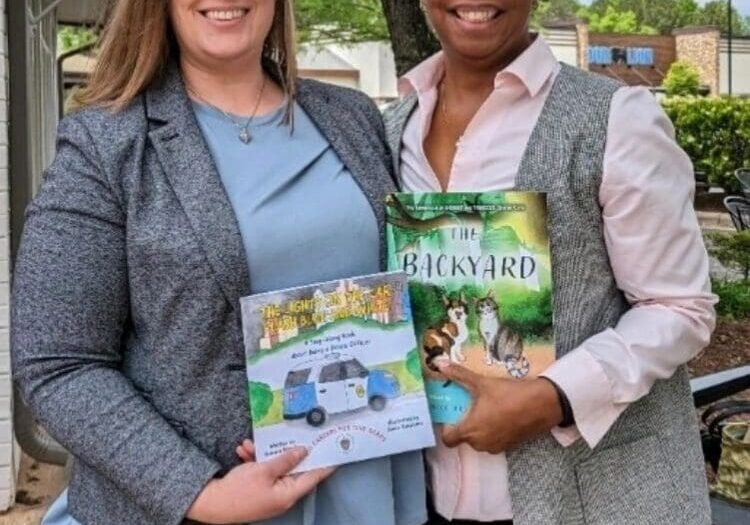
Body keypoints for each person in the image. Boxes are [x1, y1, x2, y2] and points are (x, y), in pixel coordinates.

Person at [11, 1, 426, 524]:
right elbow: (57, 365)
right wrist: (198, 492)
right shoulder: (107, 143)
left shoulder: (353, 115)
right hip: (197, 505)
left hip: (367, 480)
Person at [384, 1, 717, 524]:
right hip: (426, 499)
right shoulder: (392, 127)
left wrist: (553, 397)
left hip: (593, 502)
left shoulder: (615, 116)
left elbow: (680, 307)